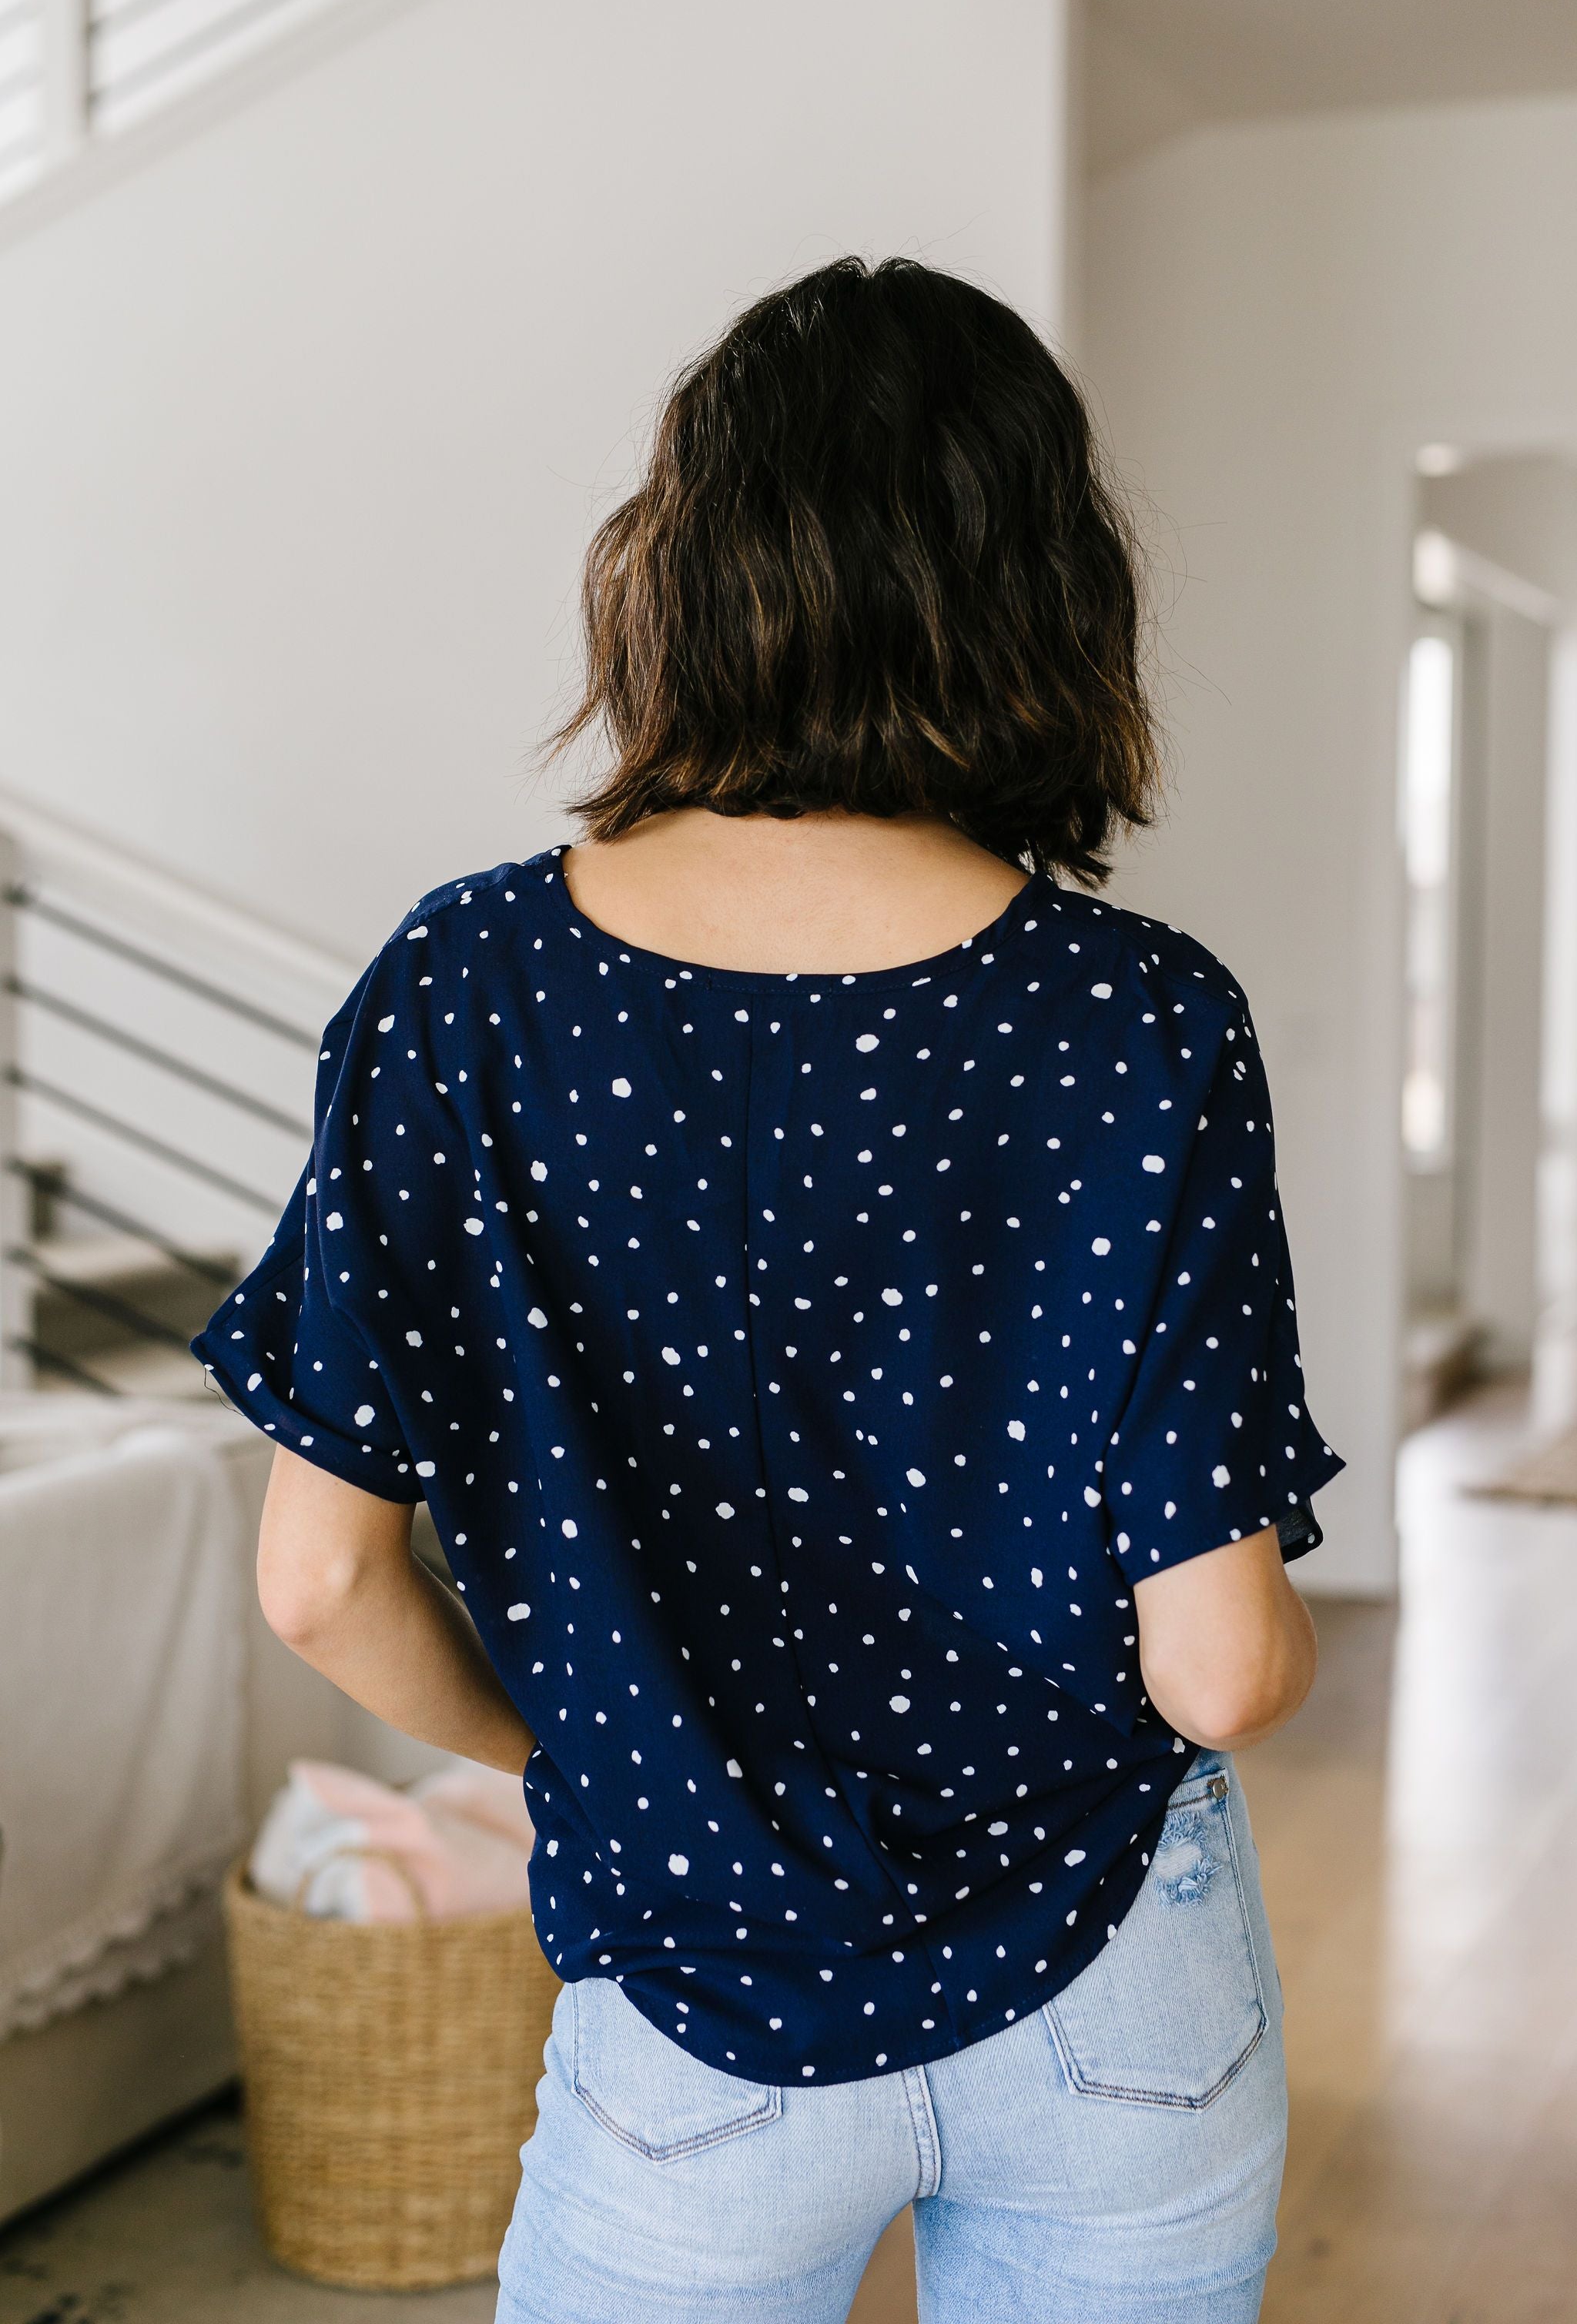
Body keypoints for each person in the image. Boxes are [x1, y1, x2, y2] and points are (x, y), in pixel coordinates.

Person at [195, 256, 1342, 2324]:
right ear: (1046, 594)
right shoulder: (1138, 1020)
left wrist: (585, 1761)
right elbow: (1226, 1673)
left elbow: (316, 1585)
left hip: (694, 1991)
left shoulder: (466, 995)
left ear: (682, 570)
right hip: (1117, 1994)